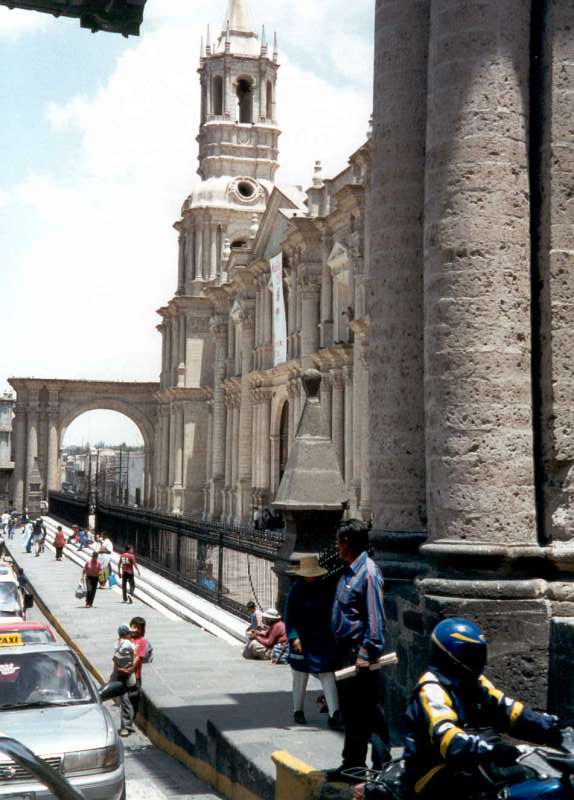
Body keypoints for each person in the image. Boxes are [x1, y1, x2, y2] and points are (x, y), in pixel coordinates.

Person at [400, 617, 565, 799]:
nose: (477, 659)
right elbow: (448, 739)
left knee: (528, 780)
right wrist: (492, 751)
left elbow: (508, 711)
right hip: (431, 775)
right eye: (470, 654)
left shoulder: (474, 684)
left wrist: (553, 728)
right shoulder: (431, 689)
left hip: (466, 765)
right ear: (448, 655)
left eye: (479, 653)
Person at [327, 519, 388, 783]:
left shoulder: (369, 573)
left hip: (359, 653)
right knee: (351, 712)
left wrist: (366, 652)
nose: (337, 547)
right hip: (345, 652)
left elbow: (375, 618)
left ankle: (382, 769)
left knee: (370, 713)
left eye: (339, 542)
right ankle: (352, 765)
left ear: (347, 543)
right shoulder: (349, 572)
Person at [284, 555, 342, 729]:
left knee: (327, 674)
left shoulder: (325, 588)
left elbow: (331, 612)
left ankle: (334, 714)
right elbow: (290, 616)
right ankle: (298, 710)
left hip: (321, 639)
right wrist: (294, 637)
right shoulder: (296, 590)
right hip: (301, 640)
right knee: (300, 676)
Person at [110, 624, 136, 737]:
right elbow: (114, 658)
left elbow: (135, 659)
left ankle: (126, 727)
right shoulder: (120, 644)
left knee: (125, 701)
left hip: (127, 675)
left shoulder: (128, 644)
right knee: (125, 701)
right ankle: (126, 726)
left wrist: (129, 670)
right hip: (120, 674)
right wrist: (120, 669)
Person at [129, 616, 148, 721]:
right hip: (123, 674)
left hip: (134, 676)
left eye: (138, 628)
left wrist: (130, 669)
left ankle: (129, 722)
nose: (135, 630)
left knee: (132, 700)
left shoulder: (142, 641)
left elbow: (139, 658)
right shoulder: (127, 638)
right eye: (133, 627)